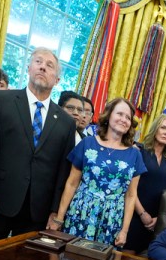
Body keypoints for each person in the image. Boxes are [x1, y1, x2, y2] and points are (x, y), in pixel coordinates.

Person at [0, 48, 76, 240]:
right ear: (29, 68)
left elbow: (63, 169)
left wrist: (55, 211)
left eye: (50, 65)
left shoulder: (66, 122)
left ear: (57, 80)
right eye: (38, 62)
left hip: (37, 211)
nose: (42, 67)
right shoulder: (0, 100)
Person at [48, 97, 145, 247]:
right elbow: (72, 183)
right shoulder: (87, 143)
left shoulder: (135, 155)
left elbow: (131, 195)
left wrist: (124, 231)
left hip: (111, 221)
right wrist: (59, 218)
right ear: (109, 115)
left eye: (128, 117)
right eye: (120, 114)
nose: (124, 119)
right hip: (80, 213)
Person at [125, 114, 166, 253]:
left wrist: (159, 218)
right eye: (163, 128)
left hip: (156, 223)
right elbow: (129, 188)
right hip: (133, 215)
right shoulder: (139, 151)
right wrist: (142, 214)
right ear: (155, 129)